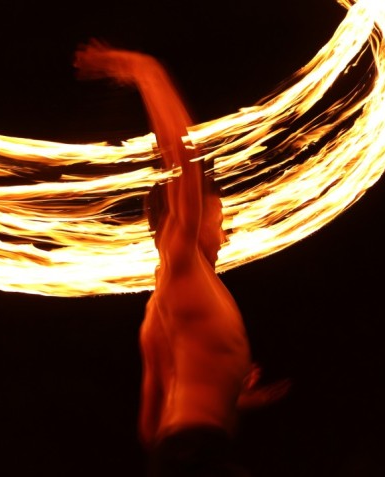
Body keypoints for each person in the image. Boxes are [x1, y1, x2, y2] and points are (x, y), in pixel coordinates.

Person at [75, 41, 288, 476]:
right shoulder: (184, 265)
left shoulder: (158, 312)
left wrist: (228, 397)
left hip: (183, 454)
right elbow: (185, 165)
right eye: (220, 219)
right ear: (182, 219)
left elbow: (150, 428)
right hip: (197, 456)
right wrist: (145, 70)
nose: (227, 235)